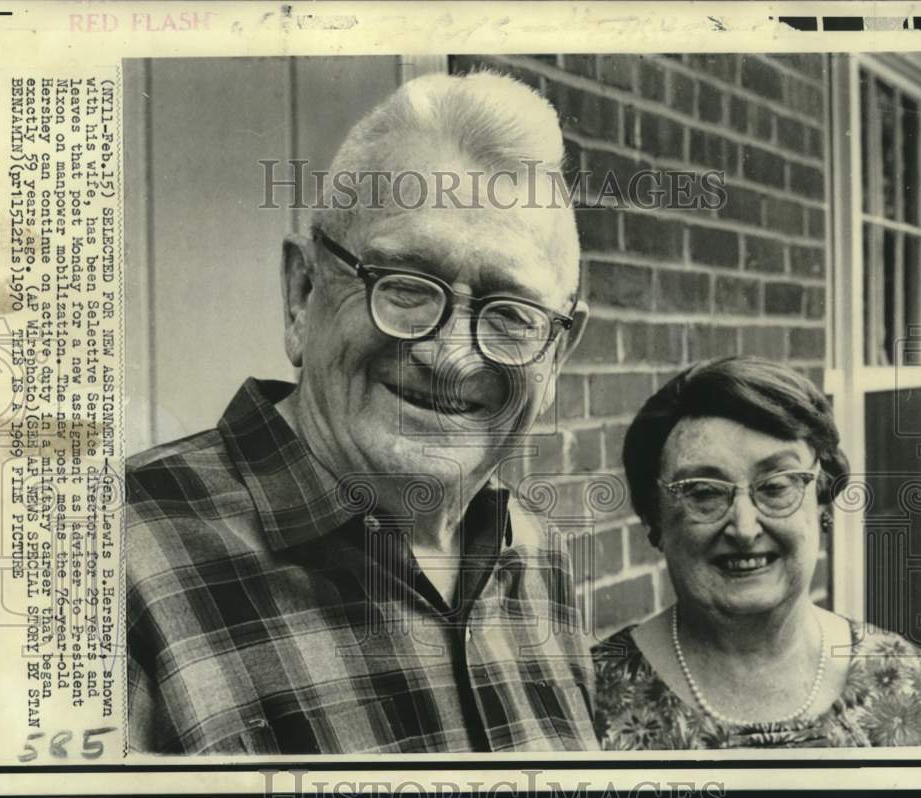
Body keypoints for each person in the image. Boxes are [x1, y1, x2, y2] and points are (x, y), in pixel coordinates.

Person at [126, 71, 598, 754]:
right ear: (302, 292)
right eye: (406, 286)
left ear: (557, 352)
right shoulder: (108, 563)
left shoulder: (536, 551)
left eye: (511, 314)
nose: (452, 357)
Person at [593, 356, 921, 749]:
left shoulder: (916, 686)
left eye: (776, 487)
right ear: (654, 517)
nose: (744, 527)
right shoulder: (584, 704)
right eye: (703, 492)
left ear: (823, 502)